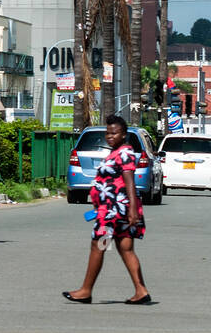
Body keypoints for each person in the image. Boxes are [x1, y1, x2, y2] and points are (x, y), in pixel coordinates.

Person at [63, 115, 151, 305]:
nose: (110, 136)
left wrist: (132, 209)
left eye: (115, 133)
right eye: (108, 133)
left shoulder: (125, 153)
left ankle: (86, 290)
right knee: (126, 249)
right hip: (119, 211)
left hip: (113, 212)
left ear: (124, 134)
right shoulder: (117, 152)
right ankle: (141, 290)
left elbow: (129, 180)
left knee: (99, 245)